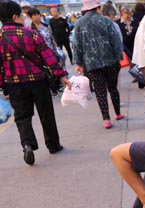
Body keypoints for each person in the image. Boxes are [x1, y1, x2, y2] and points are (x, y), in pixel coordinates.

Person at [0, 0, 70, 165]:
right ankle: (53, 145)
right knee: (46, 113)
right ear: (15, 16)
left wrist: (2, 84)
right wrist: (61, 75)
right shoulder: (31, 33)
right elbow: (49, 56)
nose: (25, 18)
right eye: (22, 15)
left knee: (22, 117)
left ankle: (27, 144)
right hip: (38, 81)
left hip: (14, 83)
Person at [73, 0, 123, 129]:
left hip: (92, 64)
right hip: (111, 61)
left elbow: (77, 45)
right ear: (98, 7)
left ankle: (106, 119)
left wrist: (78, 63)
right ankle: (118, 113)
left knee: (100, 92)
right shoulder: (107, 21)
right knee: (113, 88)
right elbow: (115, 40)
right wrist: (119, 57)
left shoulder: (79, 23)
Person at [28, 7, 62, 96]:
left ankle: (58, 86)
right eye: (35, 15)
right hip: (40, 53)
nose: (37, 17)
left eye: (38, 14)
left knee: (56, 66)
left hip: (51, 51)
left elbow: (52, 38)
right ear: (31, 17)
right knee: (47, 71)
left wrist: (56, 48)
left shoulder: (46, 26)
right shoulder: (30, 29)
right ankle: (53, 89)